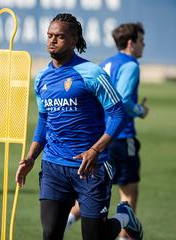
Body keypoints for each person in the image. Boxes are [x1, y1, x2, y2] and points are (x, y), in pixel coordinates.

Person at [15, 13, 143, 240]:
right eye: (49, 36)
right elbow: (45, 120)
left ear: (74, 40)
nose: (52, 41)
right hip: (54, 166)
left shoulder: (92, 73)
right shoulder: (42, 78)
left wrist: (95, 150)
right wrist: (31, 157)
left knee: (96, 236)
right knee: (50, 233)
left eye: (59, 37)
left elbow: (118, 113)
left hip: (91, 167)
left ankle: (125, 219)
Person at [66, 22, 148, 240]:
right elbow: (123, 100)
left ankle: (64, 223)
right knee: (129, 191)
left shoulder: (105, 63)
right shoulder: (131, 65)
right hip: (121, 136)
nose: (144, 45)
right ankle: (124, 237)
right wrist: (140, 110)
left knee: (93, 193)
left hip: (100, 137)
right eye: (141, 41)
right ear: (131, 43)